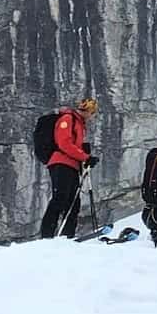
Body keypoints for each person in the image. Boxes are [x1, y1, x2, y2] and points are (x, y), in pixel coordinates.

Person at [40, 97, 100, 238]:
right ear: (87, 111)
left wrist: (84, 155)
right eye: (92, 113)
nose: (92, 117)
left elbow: (72, 145)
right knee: (60, 197)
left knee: (73, 202)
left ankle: (68, 235)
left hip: (72, 165)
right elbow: (64, 143)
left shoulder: (79, 123)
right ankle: (47, 235)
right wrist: (85, 157)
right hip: (61, 163)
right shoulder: (68, 119)